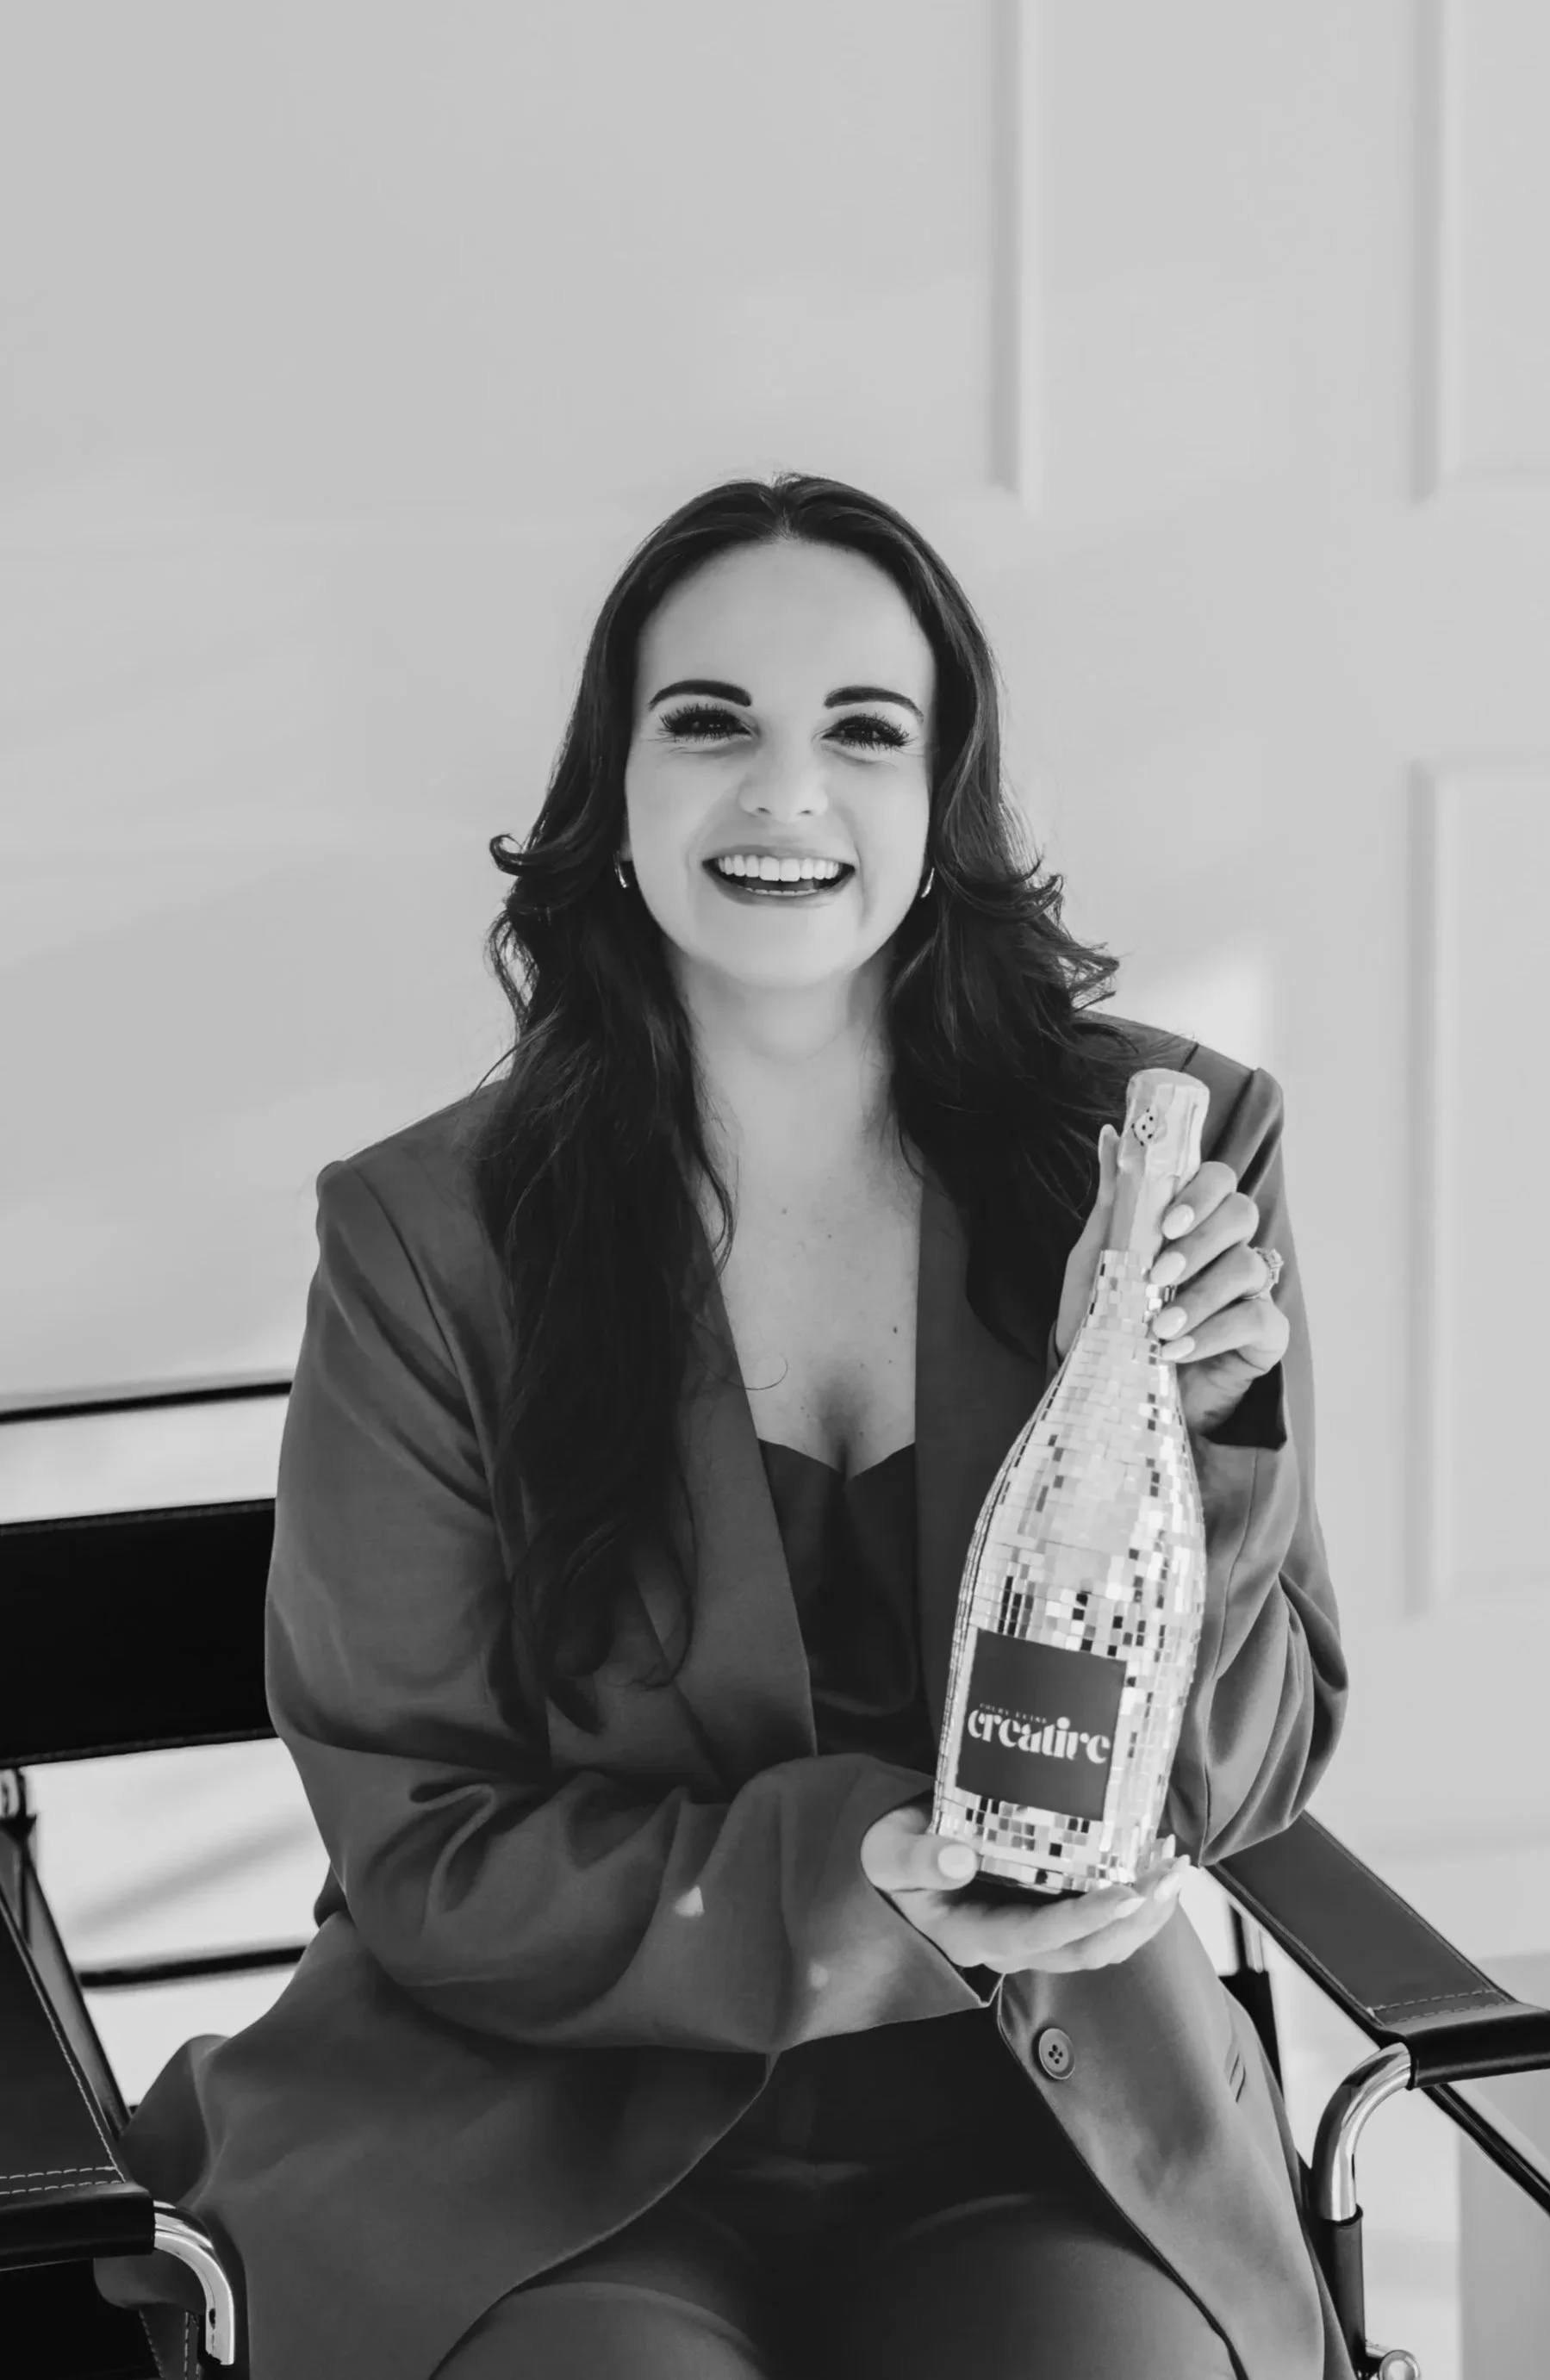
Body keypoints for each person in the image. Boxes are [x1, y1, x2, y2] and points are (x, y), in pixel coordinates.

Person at [96, 473, 1352, 2380]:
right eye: (712, 724)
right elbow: (425, 1841)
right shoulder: (428, 1240)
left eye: (864, 728)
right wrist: (846, 1875)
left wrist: (1215, 1419)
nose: (787, 791)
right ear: (615, 796)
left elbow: (1232, 1777)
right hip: (541, 2128)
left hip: (1050, 2122)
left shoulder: (1164, 1152)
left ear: (945, 804)